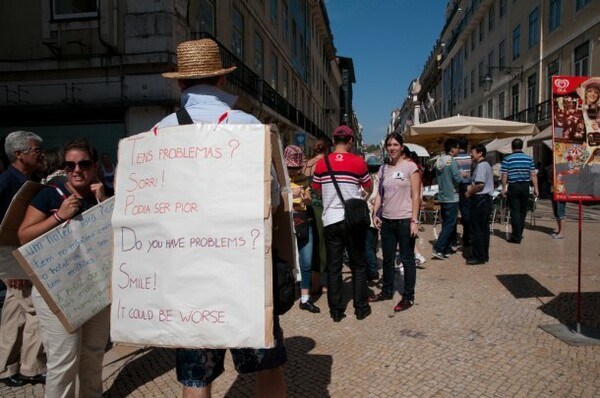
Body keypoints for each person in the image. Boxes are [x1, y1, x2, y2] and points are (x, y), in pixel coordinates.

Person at [155, 38, 286, 398]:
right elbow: (272, 197)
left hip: (187, 274)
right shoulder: (247, 125)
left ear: (181, 83)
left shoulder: (159, 132)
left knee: (196, 376)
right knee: (266, 365)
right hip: (244, 270)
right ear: (222, 80)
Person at [17, 138, 109, 397]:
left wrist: (104, 202)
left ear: (95, 166)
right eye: (70, 166)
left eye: (83, 164)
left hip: (96, 288)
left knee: (93, 355)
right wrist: (59, 216)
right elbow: (24, 235)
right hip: (58, 290)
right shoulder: (50, 194)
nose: (76, 170)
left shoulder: (104, 193)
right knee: (64, 361)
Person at [312, 125, 372, 322]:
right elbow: (368, 187)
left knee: (334, 267)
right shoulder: (358, 162)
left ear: (333, 139)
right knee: (358, 265)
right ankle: (361, 308)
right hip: (353, 221)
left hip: (331, 220)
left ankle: (336, 311)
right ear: (351, 141)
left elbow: (317, 191)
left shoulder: (322, 164)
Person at [0, 131, 47, 388]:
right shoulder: (6, 183)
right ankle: (31, 367)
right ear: (19, 154)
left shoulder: (30, 179)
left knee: (14, 314)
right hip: (12, 259)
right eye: (35, 150)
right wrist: (9, 267)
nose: (40, 154)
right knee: (35, 310)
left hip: (22, 256)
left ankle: (8, 368)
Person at [370, 133, 421, 312]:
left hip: (405, 220)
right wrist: (376, 213)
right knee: (387, 259)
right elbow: (380, 194)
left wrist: (414, 220)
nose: (392, 148)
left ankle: (408, 297)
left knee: (407, 260)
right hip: (387, 221)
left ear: (401, 146)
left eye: (395, 144)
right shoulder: (383, 169)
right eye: (389, 145)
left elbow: (416, 195)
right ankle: (387, 290)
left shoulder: (410, 167)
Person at [284, 144, 320, 313]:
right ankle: (286, 292)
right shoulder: (280, 180)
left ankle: (305, 298)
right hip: (286, 222)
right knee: (287, 261)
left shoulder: (303, 179)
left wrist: (303, 198)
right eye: (291, 167)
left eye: (297, 167)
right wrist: (290, 195)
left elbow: (309, 200)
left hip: (303, 220)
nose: (294, 170)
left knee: (306, 261)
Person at [303, 137, 330, 296]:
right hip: (320, 206)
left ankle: (311, 282)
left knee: (309, 244)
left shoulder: (306, 164)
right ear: (327, 149)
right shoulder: (324, 164)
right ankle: (320, 284)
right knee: (322, 245)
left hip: (305, 207)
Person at [500, 138, 539, 244]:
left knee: (514, 211)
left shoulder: (507, 159)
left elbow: (504, 175)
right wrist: (536, 188)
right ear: (522, 147)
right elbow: (533, 174)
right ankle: (518, 233)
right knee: (522, 211)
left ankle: (516, 236)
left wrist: (504, 188)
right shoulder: (529, 159)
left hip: (513, 186)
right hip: (525, 186)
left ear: (512, 147)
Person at [464, 144, 494, 265]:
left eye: (473, 152)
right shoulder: (485, 165)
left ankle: (478, 256)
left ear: (480, 153)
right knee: (483, 229)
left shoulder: (481, 166)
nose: (471, 154)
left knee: (476, 229)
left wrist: (468, 192)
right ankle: (483, 254)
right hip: (485, 200)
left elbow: (480, 184)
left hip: (480, 199)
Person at [432, 138, 461, 260]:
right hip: (452, 196)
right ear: (453, 149)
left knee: (446, 223)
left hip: (442, 196)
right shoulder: (452, 161)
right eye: (457, 148)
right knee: (450, 224)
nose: (458, 150)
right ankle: (438, 248)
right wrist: (462, 176)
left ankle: (446, 249)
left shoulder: (438, 161)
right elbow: (457, 179)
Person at [364, 156, 382, 281]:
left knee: (367, 245)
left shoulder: (367, 180)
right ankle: (372, 266)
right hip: (378, 215)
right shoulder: (381, 180)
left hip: (368, 214)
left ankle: (372, 270)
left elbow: (363, 196)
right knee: (373, 243)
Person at [454, 137, 472, 247]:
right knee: (467, 212)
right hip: (468, 186)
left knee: (454, 213)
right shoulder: (471, 158)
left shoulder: (454, 159)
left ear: (458, 146)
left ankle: (453, 238)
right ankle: (467, 237)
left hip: (456, 187)